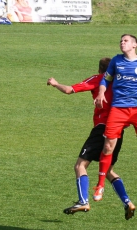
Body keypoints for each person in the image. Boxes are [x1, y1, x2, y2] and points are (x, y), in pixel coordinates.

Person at [47, 57, 135, 220]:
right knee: (108, 170)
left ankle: (83, 201)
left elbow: (69, 90)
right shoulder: (124, 81)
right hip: (118, 131)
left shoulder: (99, 79)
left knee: (80, 165)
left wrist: (54, 83)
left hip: (102, 128)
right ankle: (127, 202)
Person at [94, 34, 137, 219]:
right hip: (118, 109)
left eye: (126, 40)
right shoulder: (116, 61)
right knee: (107, 146)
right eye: (121, 40)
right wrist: (101, 92)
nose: (122, 42)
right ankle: (101, 185)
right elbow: (106, 79)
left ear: (134, 45)